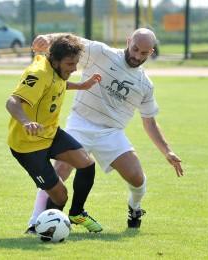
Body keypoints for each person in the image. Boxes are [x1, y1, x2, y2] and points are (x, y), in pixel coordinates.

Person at [26, 28, 184, 233]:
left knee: (137, 177)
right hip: (80, 124)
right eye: (135, 49)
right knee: (60, 171)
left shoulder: (145, 85)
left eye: (143, 53)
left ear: (151, 52)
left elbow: (150, 122)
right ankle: (35, 221)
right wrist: (48, 37)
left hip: (111, 132)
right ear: (128, 41)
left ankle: (134, 209)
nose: (137, 56)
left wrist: (167, 151)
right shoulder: (101, 52)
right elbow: (71, 41)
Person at [6, 33, 103, 234]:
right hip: (28, 145)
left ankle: (76, 213)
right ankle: (42, 229)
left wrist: (82, 85)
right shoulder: (39, 72)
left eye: (76, 63)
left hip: (50, 133)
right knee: (61, 196)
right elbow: (12, 101)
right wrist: (26, 121)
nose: (74, 69)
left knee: (86, 164)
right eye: (70, 64)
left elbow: (58, 84)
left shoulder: (56, 71)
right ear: (55, 60)